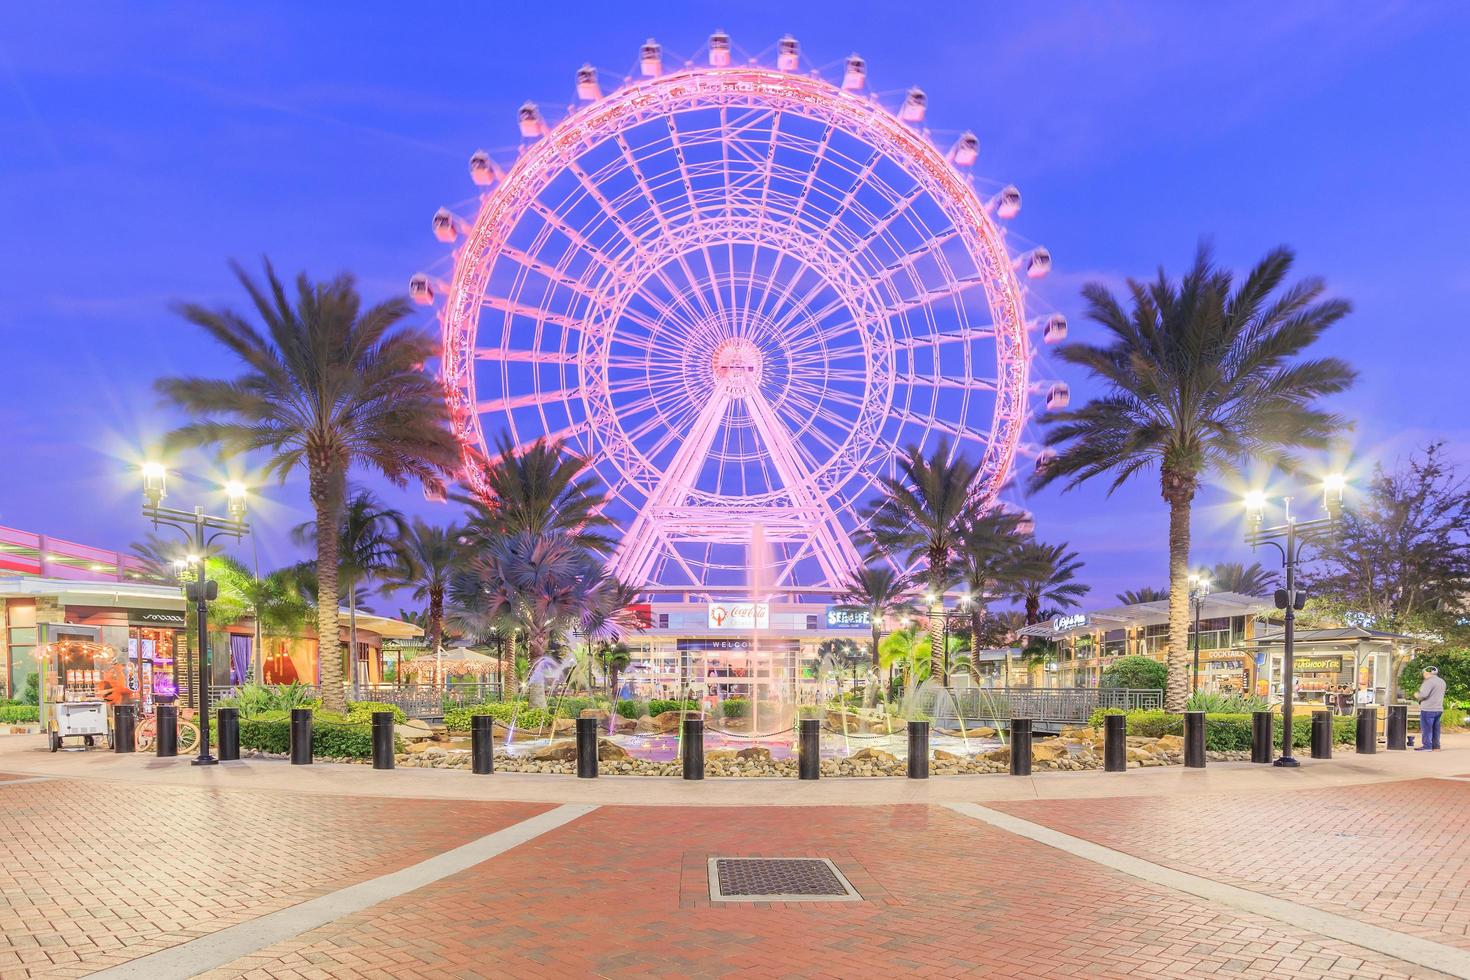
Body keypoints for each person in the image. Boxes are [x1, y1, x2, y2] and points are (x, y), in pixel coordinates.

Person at [1415, 665, 1447, 751]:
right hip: (1438, 709)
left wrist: (1417, 695)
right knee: (1436, 729)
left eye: (1424, 672)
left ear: (1428, 672)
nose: (1423, 674)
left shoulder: (1429, 681)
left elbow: (1423, 694)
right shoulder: (1442, 681)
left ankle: (1427, 746)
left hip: (1428, 709)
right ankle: (1436, 747)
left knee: (1427, 729)